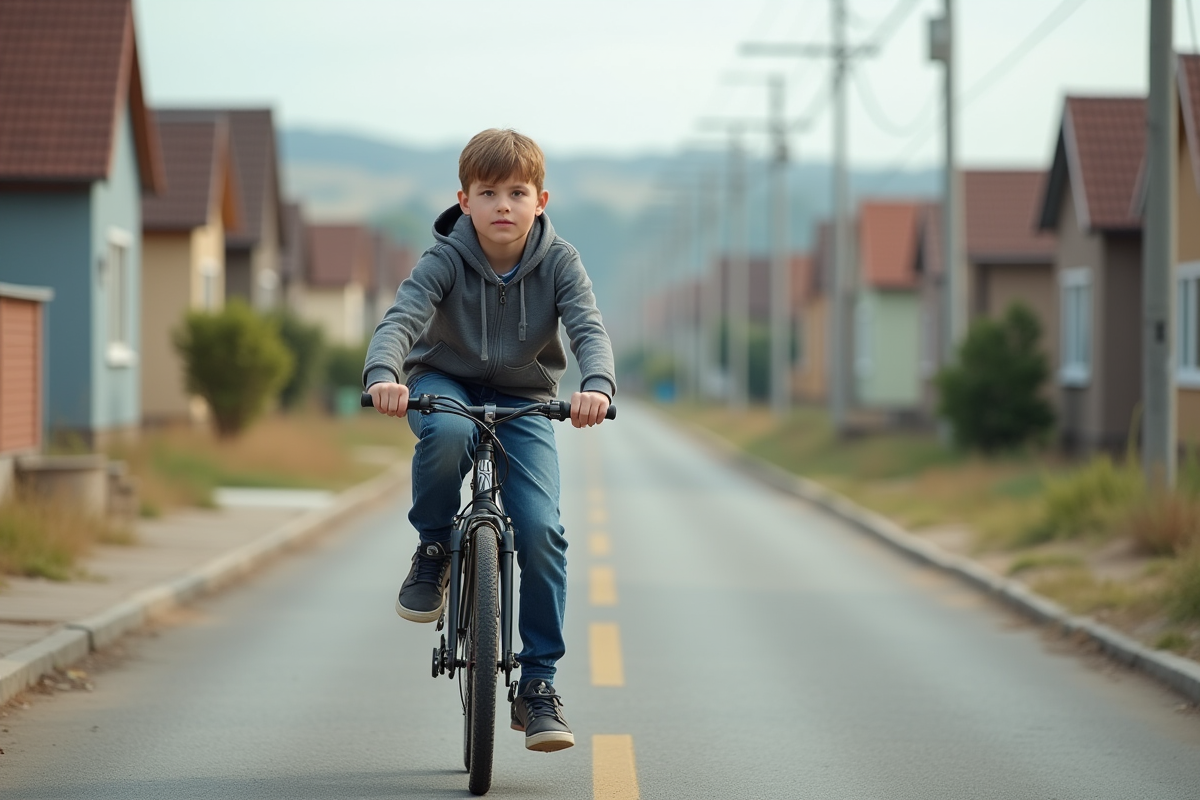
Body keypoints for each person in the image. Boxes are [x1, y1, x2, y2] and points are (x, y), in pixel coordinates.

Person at [362, 128, 616, 753]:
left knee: (540, 528)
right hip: (444, 382)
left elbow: (587, 326)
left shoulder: (561, 261)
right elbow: (404, 317)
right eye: (488, 192)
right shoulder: (445, 258)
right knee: (446, 431)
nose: (503, 204)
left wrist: (598, 386)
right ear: (465, 199)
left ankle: (537, 685)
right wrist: (384, 376)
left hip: (525, 399)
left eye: (517, 191)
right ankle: (434, 550)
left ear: (541, 200)